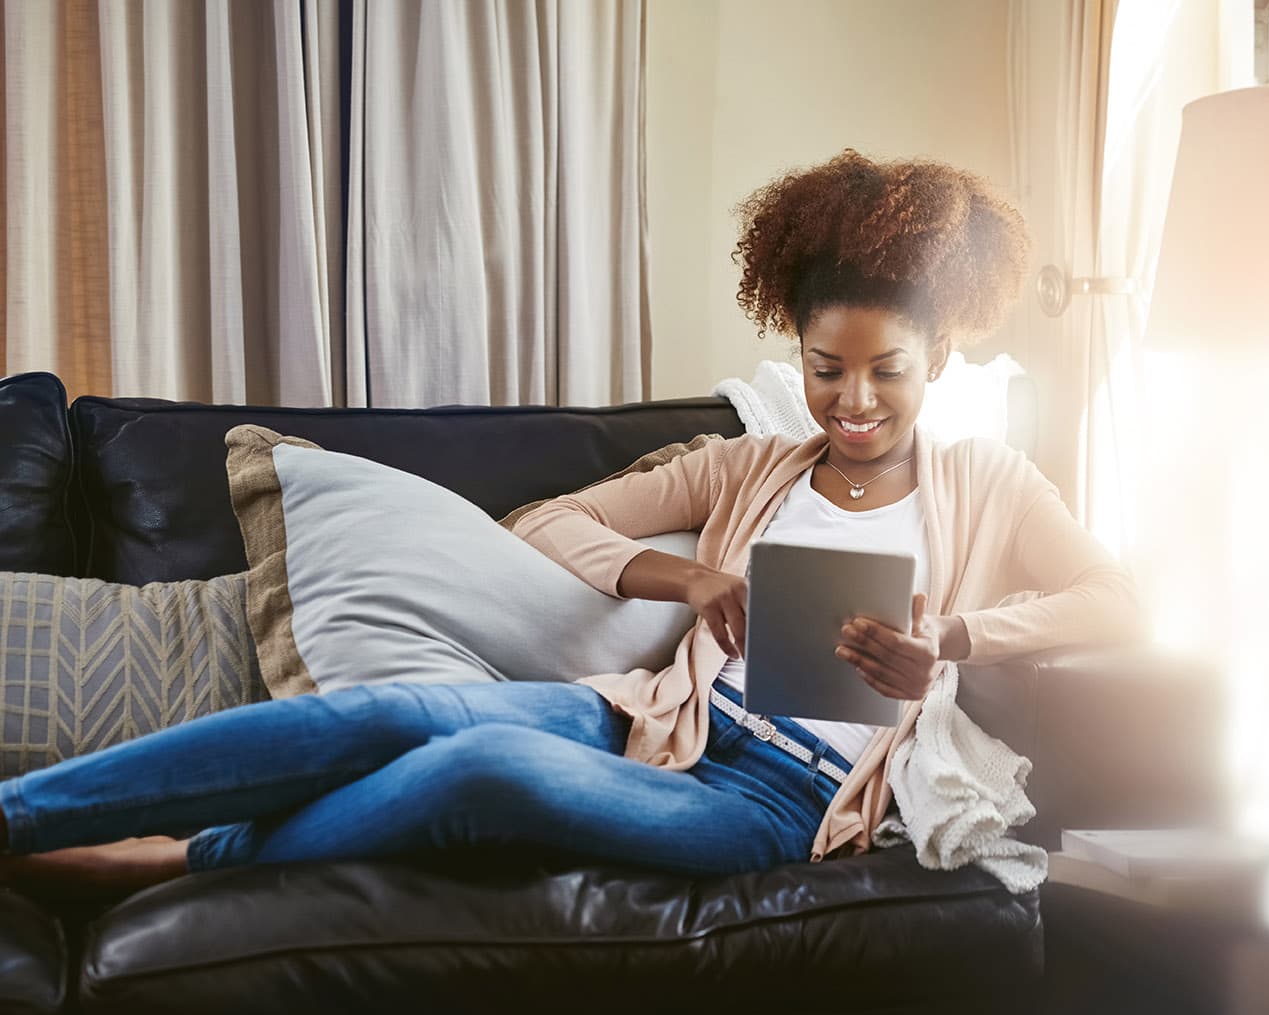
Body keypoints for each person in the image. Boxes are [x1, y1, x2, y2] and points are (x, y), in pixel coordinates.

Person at [0, 149, 1136, 891]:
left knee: (488, 764)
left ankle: (174, 858)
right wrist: (690, 583)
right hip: (655, 720)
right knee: (394, 709)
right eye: (823, 366)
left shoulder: (990, 482)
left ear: (937, 355)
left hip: (771, 798)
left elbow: (1117, 599)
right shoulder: (746, 465)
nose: (850, 400)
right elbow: (548, 521)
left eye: (884, 369)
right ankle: (16, 812)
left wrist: (949, 641)